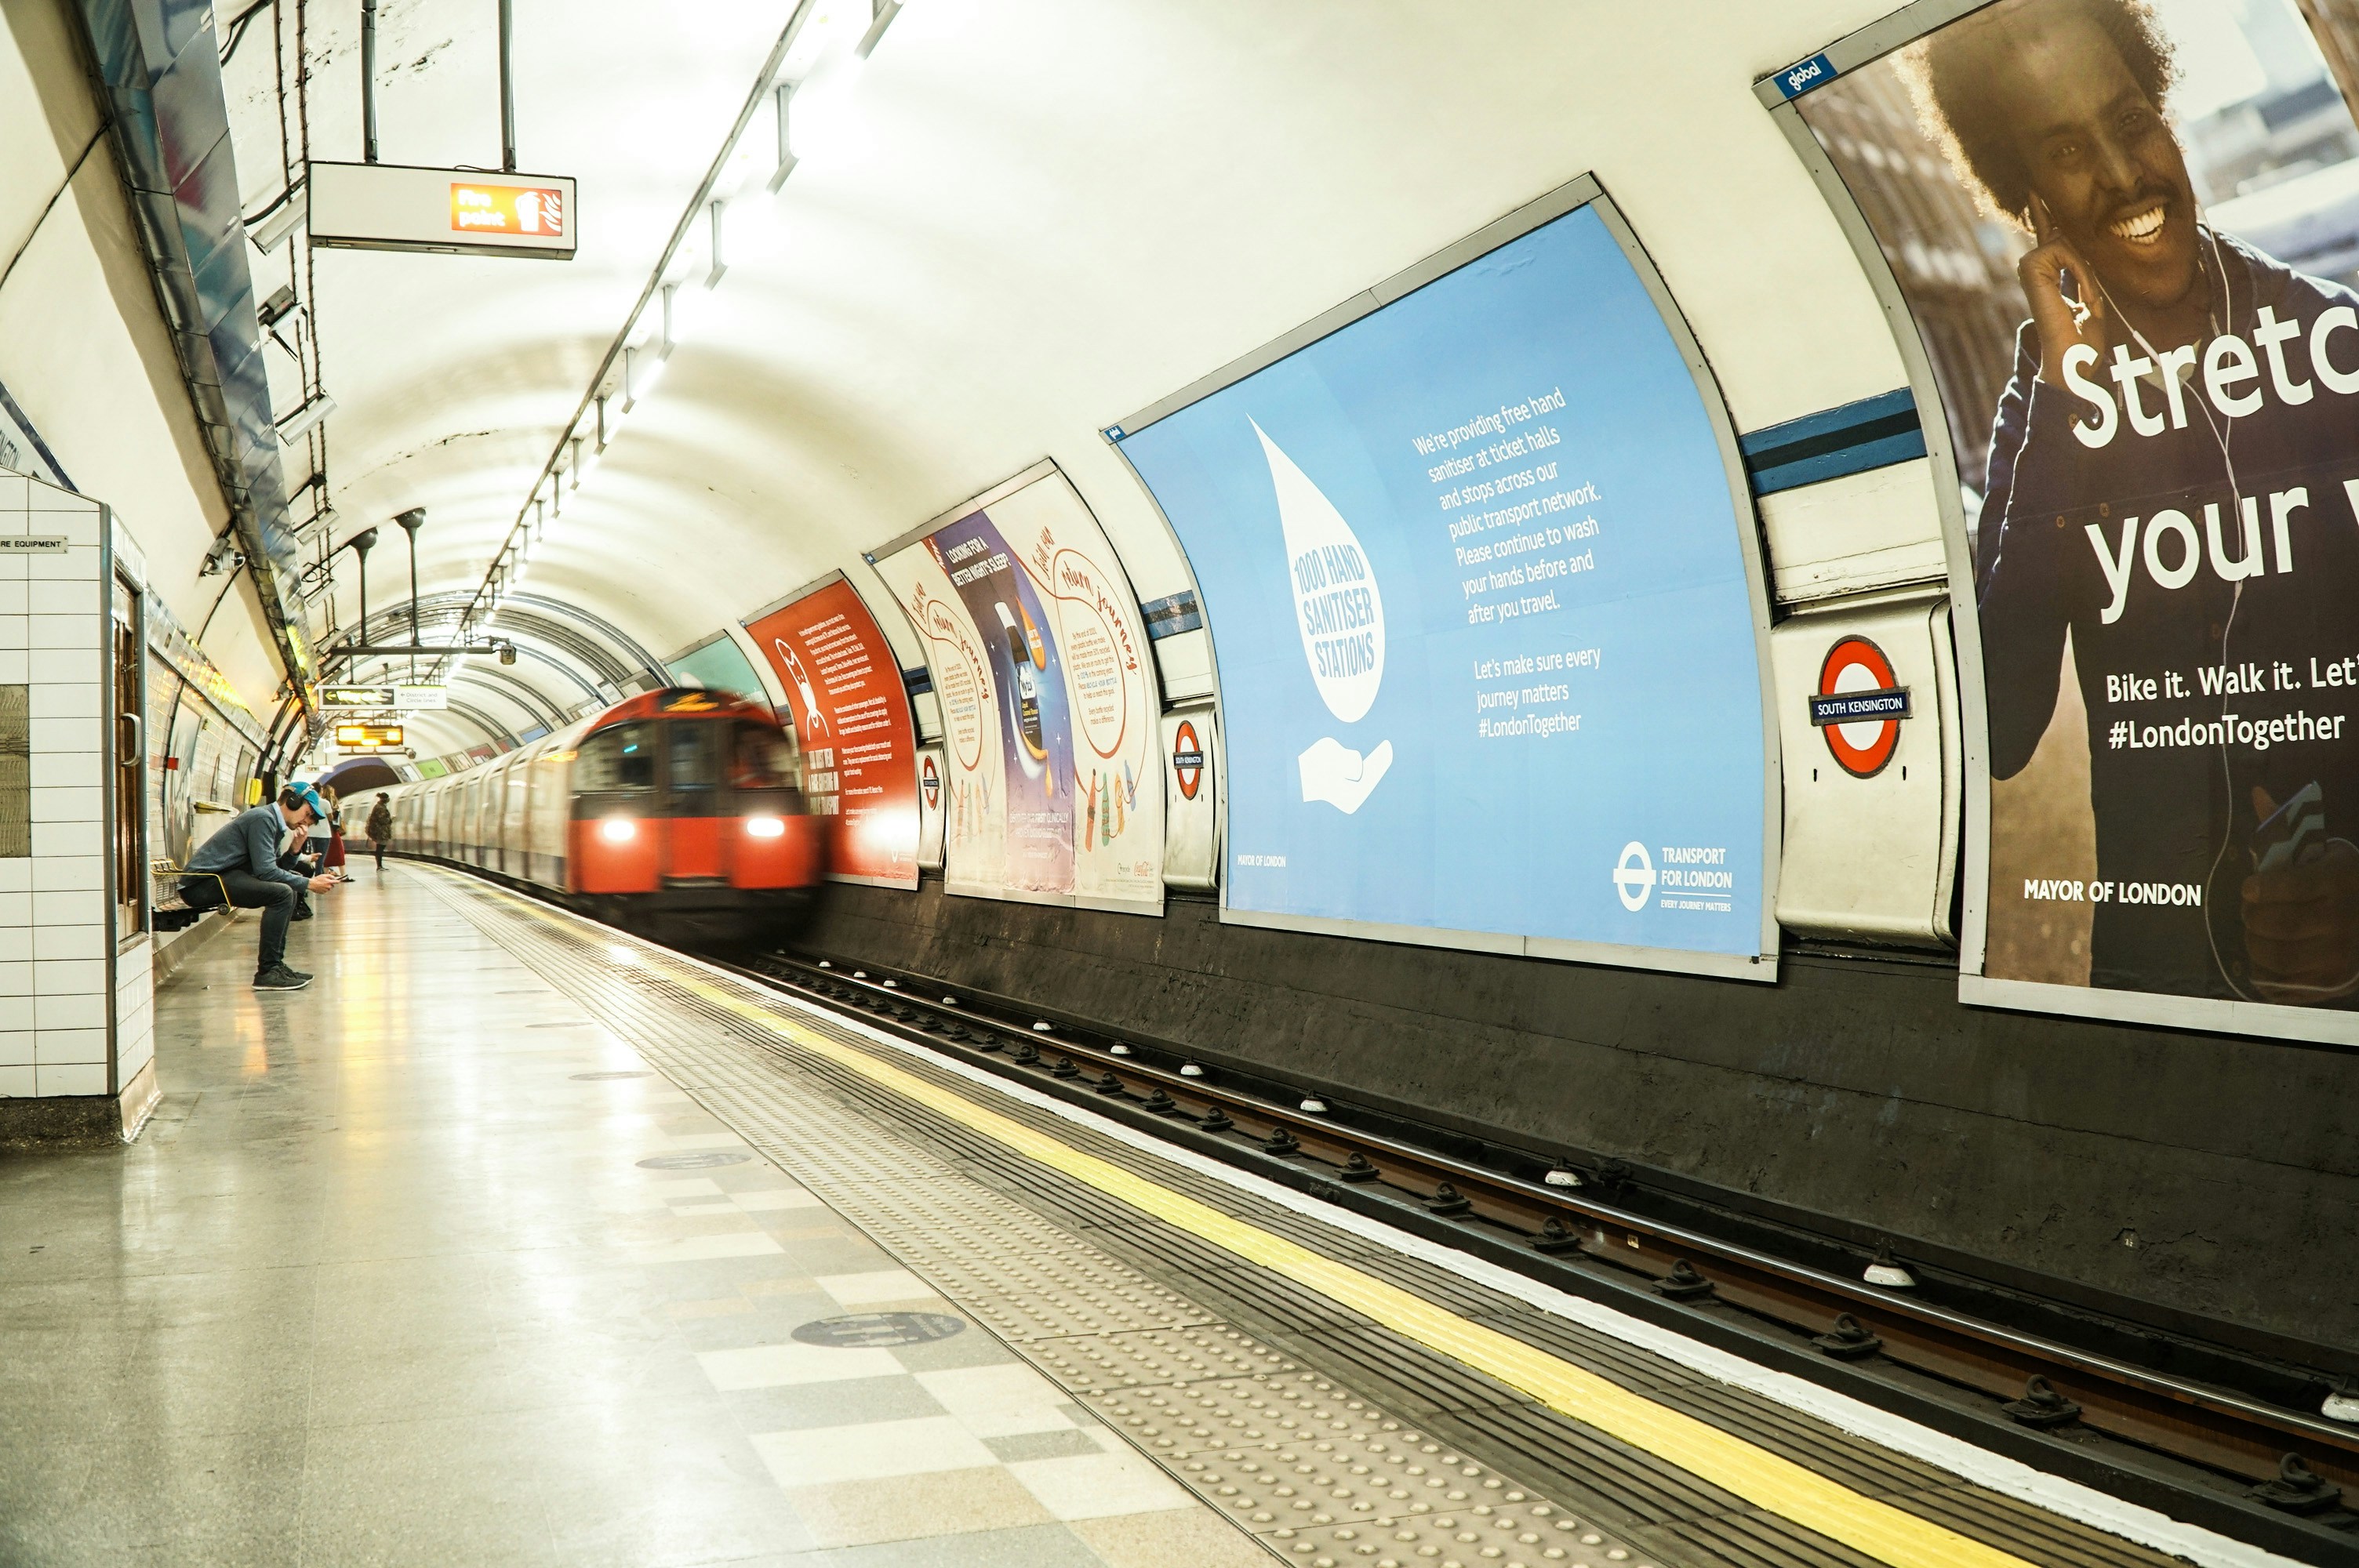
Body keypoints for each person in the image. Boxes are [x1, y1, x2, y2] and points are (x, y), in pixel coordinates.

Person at [1908, 0, 2359, 1004]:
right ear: (2029, 200)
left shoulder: (2320, 336)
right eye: (2067, 151)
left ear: (2163, 112)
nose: (2121, 177)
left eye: (2128, 123)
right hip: (2164, 980)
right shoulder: (2042, 414)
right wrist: (2071, 402)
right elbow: (2000, 720)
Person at [180, 782, 337, 990]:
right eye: (307, 814)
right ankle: (268, 971)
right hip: (203, 883)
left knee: (285, 891)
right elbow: (266, 872)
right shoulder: (262, 819)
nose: (306, 823)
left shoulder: (270, 821)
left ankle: (275, 966)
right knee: (282, 894)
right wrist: (309, 883)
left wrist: (294, 850)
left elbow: (274, 868)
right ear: (293, 801)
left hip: (222, 878)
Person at [366, 793, 394, 874]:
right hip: (381, 832)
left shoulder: (379, 807)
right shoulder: (380, 808)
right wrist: (391, 819)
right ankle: (379, 866)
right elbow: (383, 820)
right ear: (385, 799)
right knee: (380, 849)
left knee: (380, 849)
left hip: (380, 831)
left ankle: (380, 866)